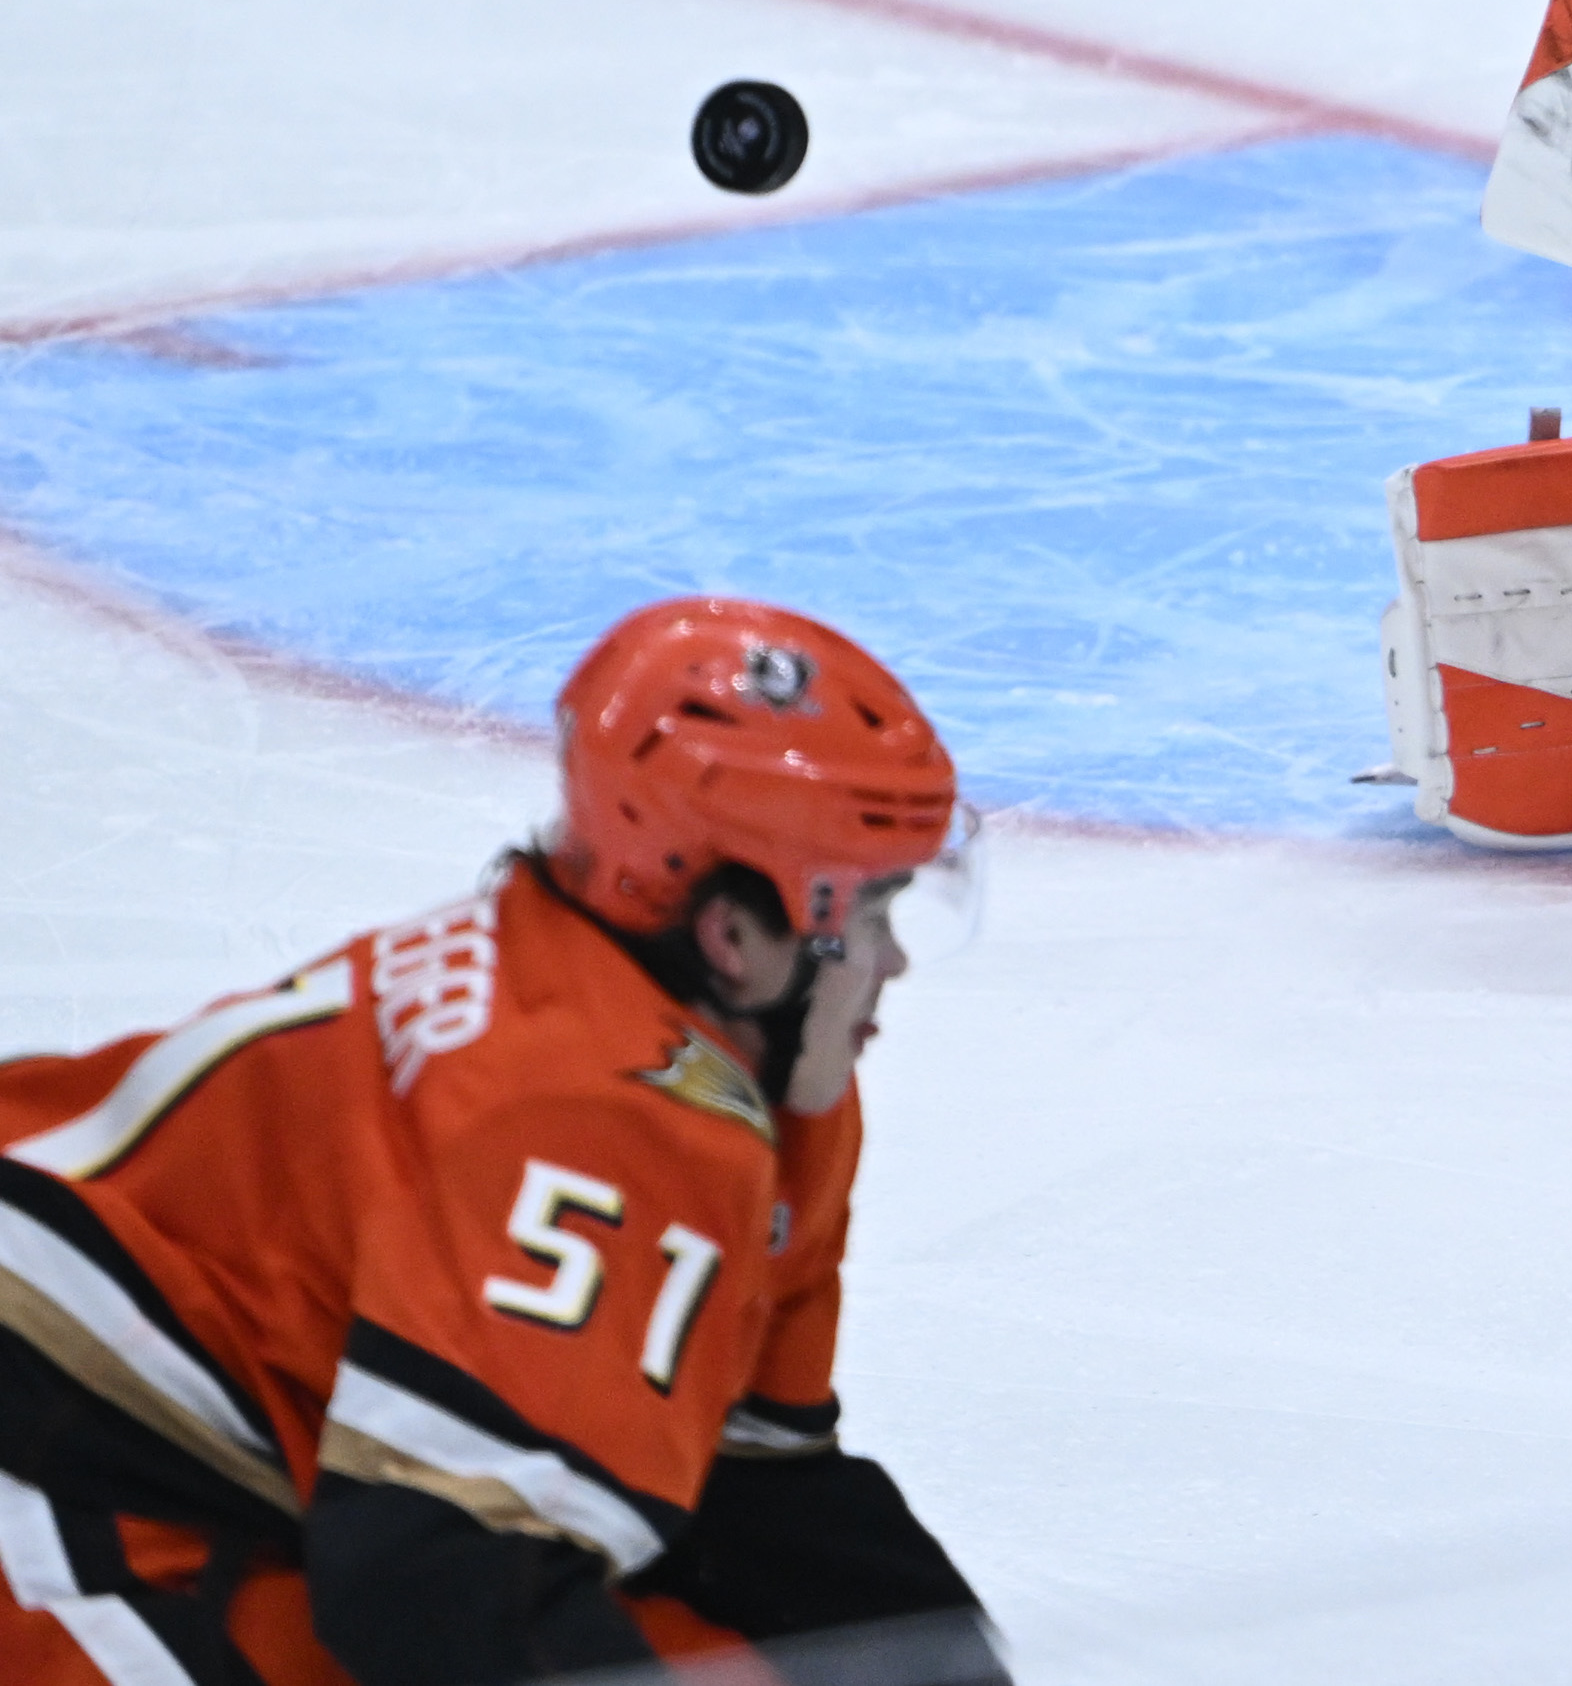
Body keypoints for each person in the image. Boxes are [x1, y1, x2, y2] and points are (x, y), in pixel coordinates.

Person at [0, 600, 1002, 1686]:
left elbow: (747, 1481)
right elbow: (432, 1583)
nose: (892, 961)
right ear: (734, 934)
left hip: (210, 1476)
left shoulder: (749, 1084)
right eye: (870, 913)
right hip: (50, 1482)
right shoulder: (581, 1117)